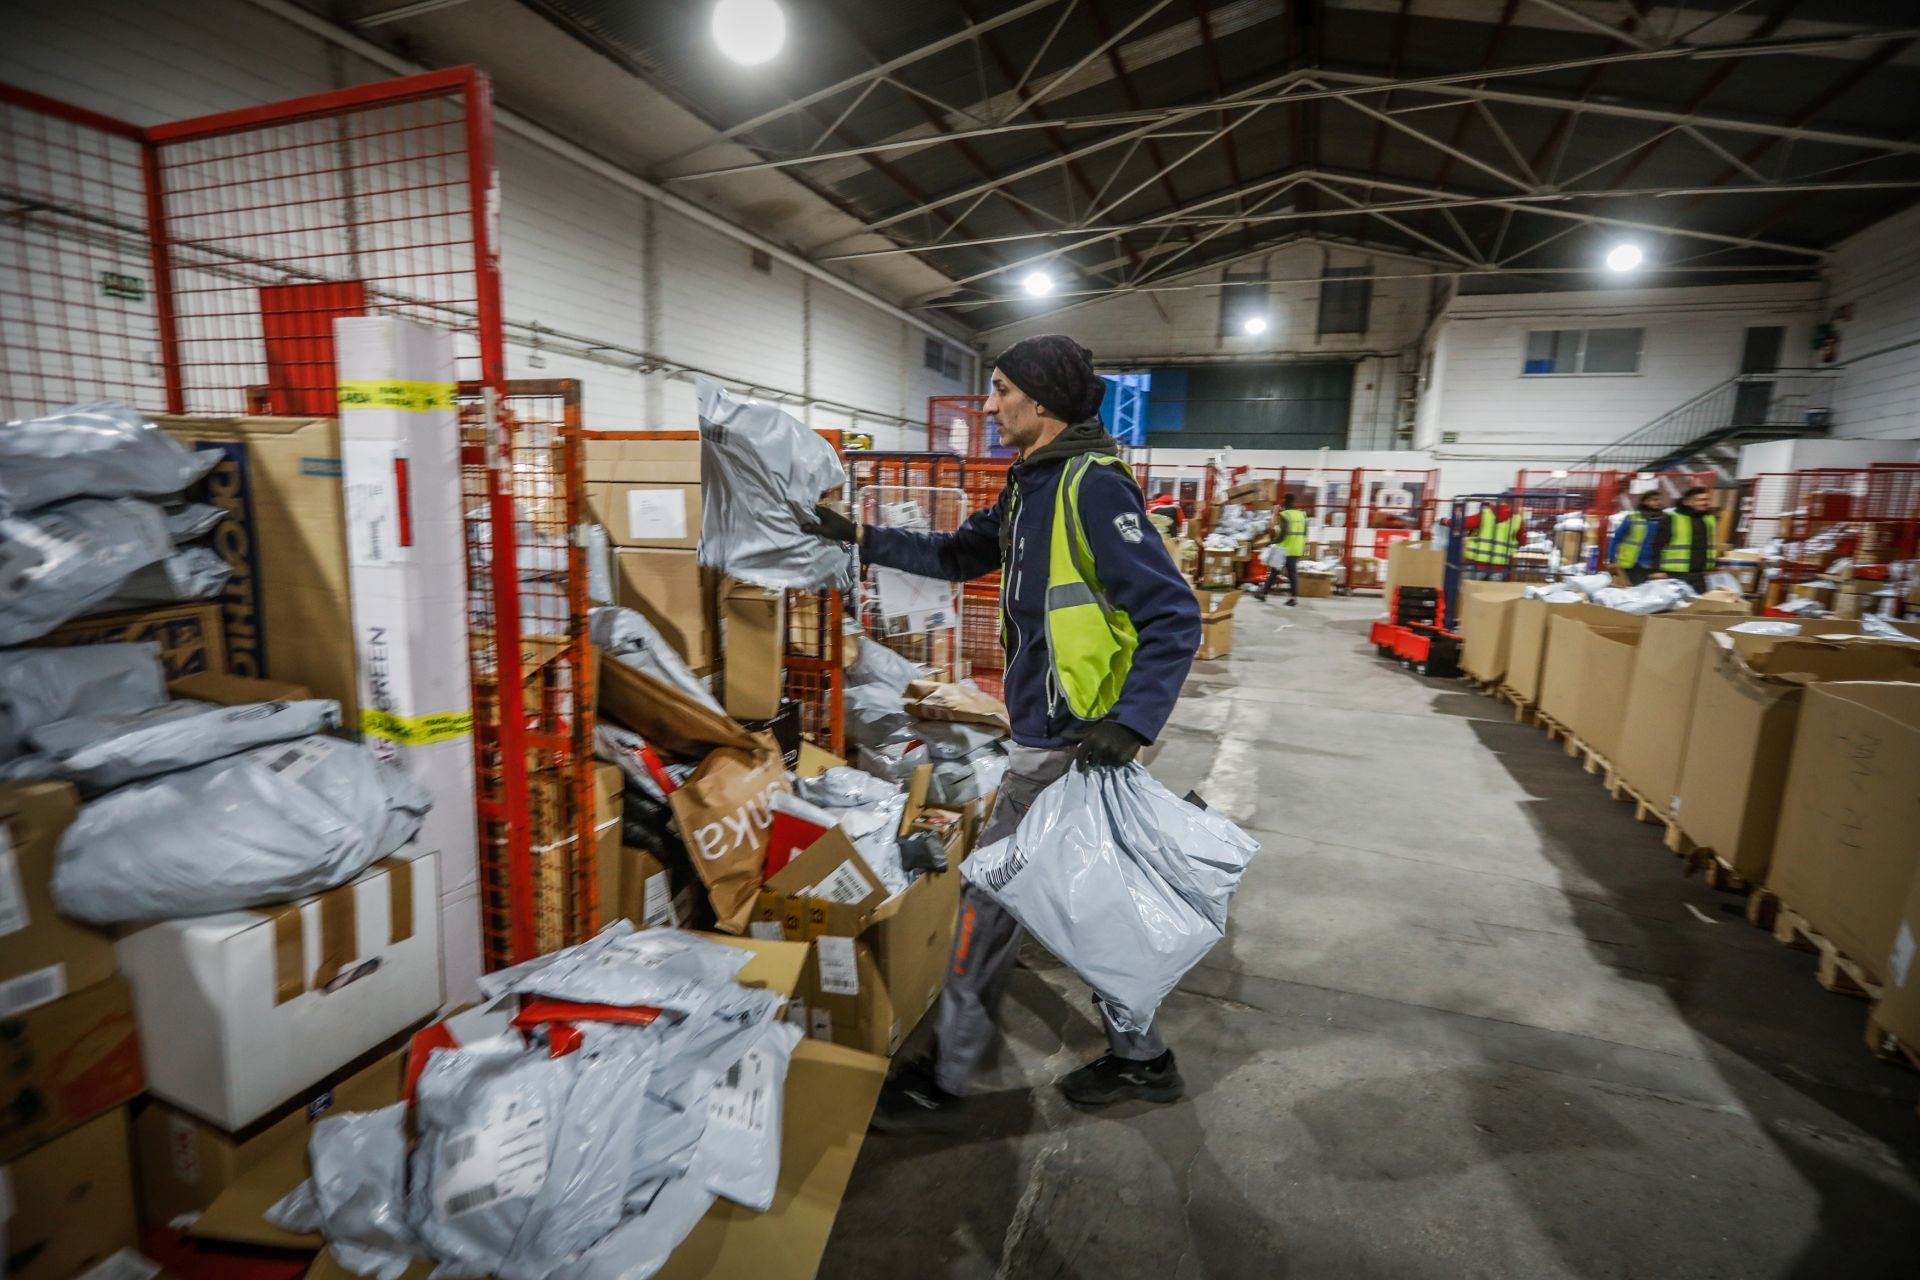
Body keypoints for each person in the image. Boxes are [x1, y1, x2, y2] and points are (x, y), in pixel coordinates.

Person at [806, 334, 1202, 1131]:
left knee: (990, 896)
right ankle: (1143, 1056)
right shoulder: (1032, 486)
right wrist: (858, 536)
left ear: (1042, 401)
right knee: (1086, 904)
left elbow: (1173, 615)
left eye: (999, 391)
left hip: (1072, 744)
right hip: (1050, 736)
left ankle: (949, 1074)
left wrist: (1130, 722)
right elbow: (957, 553)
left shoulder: (1092, 489)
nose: (987, 406)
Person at [1651, 485, 1719, 592]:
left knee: (1698, 606)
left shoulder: (1709, 519)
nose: (1706, 503)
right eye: (1700, 500)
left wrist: (1711, 567)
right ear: (1687, 502)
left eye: (1707, 499)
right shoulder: (1672, 518)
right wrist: (1656, 570)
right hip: (1674, 573)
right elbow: (1657, 545)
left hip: (1699, 574)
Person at [1250, 492, 1308, 604]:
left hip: (1284, 548)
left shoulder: (1285, 515)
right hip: (1297, 548)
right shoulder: (1302, 515)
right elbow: (1305, 533)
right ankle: (1293, 598)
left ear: (1284, 503)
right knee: (1292, 573)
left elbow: (1283, 534)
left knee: (1274, 571)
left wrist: (1271, 542)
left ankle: (1263, 593)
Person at [1608, 490, 1667, 585]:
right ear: (1644, 502)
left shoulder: (1666, 519)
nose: (1658, 502)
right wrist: (1611, 559)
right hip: (1632, 564)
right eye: (1654, 500)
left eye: (1660, 500)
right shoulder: (1633, 518)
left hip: (1656, 564)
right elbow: (1616, 539)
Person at [1462, 499, 1524, 580]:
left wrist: (1445, 521)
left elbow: (1465, 522)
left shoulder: (1485, 514)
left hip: (1479, 563)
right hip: (1500, 564)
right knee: (1492, 590)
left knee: (1473, 588)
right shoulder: (1517, 520)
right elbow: (1522, 541)